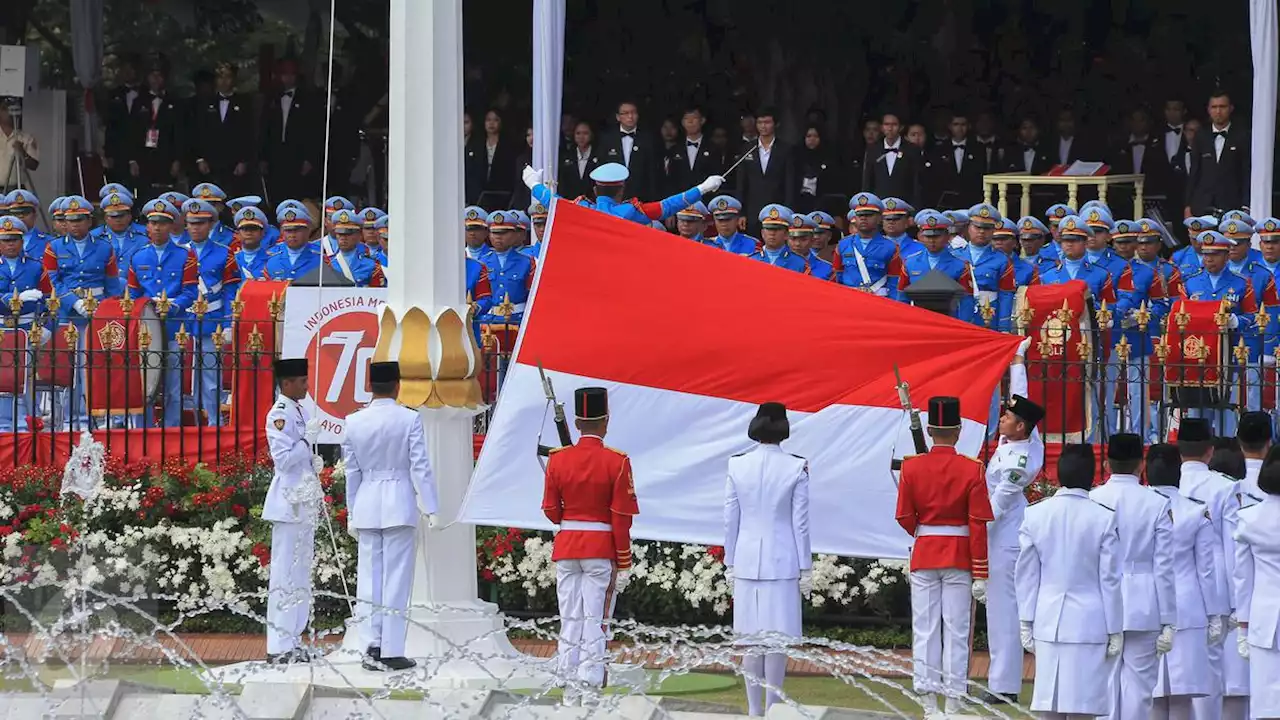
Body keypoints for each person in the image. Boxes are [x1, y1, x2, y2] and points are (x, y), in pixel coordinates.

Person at [895, 396, 994, 715]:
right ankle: (953, 702)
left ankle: (928, 703)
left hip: (925, 553)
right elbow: (977, 523)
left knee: (924, 628)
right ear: (959, 430)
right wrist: (981, 571)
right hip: (960, 556)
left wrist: (926, 534)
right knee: (957, 630)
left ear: (929, 429)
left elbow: (905, 516)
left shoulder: (912, 466)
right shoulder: (972, 468)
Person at [541, 387, 640, 703]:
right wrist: (623, 561)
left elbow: (551, 510)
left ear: (577, 420)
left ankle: (569, 685)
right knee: (595, 619)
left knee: (570, 617)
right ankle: (591, 685)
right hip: (600, 549)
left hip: (568, 546)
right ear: (605, 420)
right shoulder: (617, 461)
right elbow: (621, 516)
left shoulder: (558, 460)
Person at [342, 361, 439, 672]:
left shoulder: (354, 421)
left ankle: (371, 646)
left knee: (369, 580)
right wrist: (432, 506)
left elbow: (352, 473)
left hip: (368, 502)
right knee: (396, 580)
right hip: (398, 502)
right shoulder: (409, 418)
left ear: (370, 387)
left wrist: (352, 511)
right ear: (397, 385)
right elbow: (420, 467)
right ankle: (391, 649)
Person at [1016, 443, 1123, 720]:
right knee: (1083, 707)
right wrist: (1115, 628)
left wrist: (1026, 619)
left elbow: (1027, 575)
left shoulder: (1036, 513)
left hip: (1048, 618)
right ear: (1092, 475)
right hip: (1090, 621)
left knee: (1048, 703)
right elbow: (1109, 579)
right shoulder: (1103, 517)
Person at [724, 402, 811, 717]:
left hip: (747, 558)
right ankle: (773, 708)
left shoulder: (737, 464)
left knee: (750, 641)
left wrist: (730, 560)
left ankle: (754, 710)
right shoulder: (795, 466)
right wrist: (806, 567)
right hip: (782, 558)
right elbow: (800, 522)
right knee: (776, 640)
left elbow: (729, 518)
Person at [1089, 434, 1178, 720]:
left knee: (1104, 684)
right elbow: (1164, 566)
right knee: (1140, 689)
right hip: (1144, 600)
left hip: (1101, 599)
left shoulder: (1093, 498)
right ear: (1142, 465)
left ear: (1106, 464)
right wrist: (1168, 619)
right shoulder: (1155, 502)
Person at [979, 341, 1045, 705]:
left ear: (1020, 428)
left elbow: (996, 507)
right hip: (1000, 536)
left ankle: (1004, 685)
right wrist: (1017, 361)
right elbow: (1020, 399)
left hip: (1003, 539)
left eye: (1006, 418)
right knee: (999, 612)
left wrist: (975, 536)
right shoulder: (1019, 436)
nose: (1000, 419)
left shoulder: (1020, 461)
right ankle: (998, 679)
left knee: (1005, 614)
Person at [1146, 442, 1229, 720]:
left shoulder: (1138, 507)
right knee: (1182, 695)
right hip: (1188, 606)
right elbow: (1205, 569)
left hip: (1148, 604)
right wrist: (1214, 613)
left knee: (1153, 692)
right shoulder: (1195, 510)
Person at [1178, 417, 1241, 719]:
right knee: (1210, 665)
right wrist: (1237, 597)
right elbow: (1232, 546)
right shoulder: (1225, 488)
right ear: (1210, 451)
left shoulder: (1168, 482)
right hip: (1215, 579)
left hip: (1173, 581)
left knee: (1173, 667)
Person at [263, 357, 323, 664]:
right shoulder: (280, 415)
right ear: (287, 384)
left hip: (304, 502)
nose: (306, 385)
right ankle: (278, 645)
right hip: (288, 503)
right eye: (301, 381)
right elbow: (284, 460)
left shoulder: (300, 410)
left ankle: (293, 639)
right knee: (285, 573)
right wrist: (305, 443)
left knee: (300, 574)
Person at [127, 199, 199, 427]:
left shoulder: (185, 256)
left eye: (163, 223)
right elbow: (132, 293)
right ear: (147, 226)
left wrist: (174, 304)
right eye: (153, 223)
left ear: (171, 226)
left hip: (174, 326)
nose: (157, 228)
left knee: (174, 386)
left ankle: (172, 430)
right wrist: (145, 305)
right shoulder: (138, 256)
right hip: (146, 329)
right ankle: (142, 429)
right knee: (143, 384)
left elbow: (191, 291)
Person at [181, 198, 240, 425]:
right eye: (192, 223)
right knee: (182, 376)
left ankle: (214, 422)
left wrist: (227, 324)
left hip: (212, 321)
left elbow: (230, 292)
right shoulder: (179, 252)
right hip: (184, 321)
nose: (196, 228)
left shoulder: (224, 253)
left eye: (201, 223)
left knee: (211, 377)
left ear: (211, 224)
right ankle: (188, 422)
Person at [524, 161, 722, 227]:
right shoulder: (631, 212)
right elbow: (667, 206)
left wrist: (533, 184)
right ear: (621, 190)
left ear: (595, 190)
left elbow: (553, 202)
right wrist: (703, 188)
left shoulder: (580, 208)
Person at [1232, 460, 1280, 720]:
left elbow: (1243, 577)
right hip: (1265, 620)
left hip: (1264, 619)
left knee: (1266, 704)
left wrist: (1243, 625)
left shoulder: (1249, 518)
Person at [0, 216, 52, 431]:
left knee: (28, 375)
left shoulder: (35, 266)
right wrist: (14, 299)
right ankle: (4, 422)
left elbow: (49, 298)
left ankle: (30, 419)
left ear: (22, 241)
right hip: (2, 326)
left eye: (15, 240)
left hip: (28, 327)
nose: (10, 244)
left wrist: (44, 328)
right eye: (5, 240)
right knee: (3, 376)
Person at [896, 209, 976, 321]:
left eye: (937, 236)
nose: (932, 241)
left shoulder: (960, 266)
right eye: (928, 236)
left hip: (948, 322)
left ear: (947, 237)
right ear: (921, 237)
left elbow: (966, 301)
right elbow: (902, 298)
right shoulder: (910, 263)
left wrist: (964, 327)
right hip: (918, 321)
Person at [259, 59, 321, 201]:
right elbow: (264, 129)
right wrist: (262, 157)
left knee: (296, 194)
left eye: (291, 74)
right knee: (275, 195)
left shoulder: (308, 100)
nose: (288, 78)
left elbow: (314, 131)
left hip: (297, 155)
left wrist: (309, 158)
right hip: (275, 154)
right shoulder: (272, 98)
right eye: (284, 74)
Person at [191, 62, 253, 197]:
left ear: (234, 79)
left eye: (228, 77)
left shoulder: (244, 102)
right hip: (210, 163)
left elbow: (249, 133)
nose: (224, 81)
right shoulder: (205, 102)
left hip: (234, 164)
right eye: (220, 77)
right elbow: (198, 131)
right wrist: (200, 158)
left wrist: (244, 160)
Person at [1186, 91, 1250, 217]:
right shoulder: (1201, 136)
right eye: (1214, 107)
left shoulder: (1242, 136)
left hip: (1232, 205)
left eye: (1222, 107)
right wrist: (1188, 205)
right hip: (1202, 205)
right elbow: (1194, 173)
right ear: (1208, 110)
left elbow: (1246, 172)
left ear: (1231, 108)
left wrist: (1246, 205)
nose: (1218, 111)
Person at [958, 203, 1017, 332]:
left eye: (987, 228)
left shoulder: (1002, 260)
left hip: (989, 316)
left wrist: (1004, 327)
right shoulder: (955, 254)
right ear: (969, 227)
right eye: (977, 227)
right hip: (959, 314)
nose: (981, 231)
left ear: (993, 231)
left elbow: (1006, 296)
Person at [833, 192, 903, 298]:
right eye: (859, 215)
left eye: (869, 215)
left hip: (879, 301)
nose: (863, 218)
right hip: (848, 300)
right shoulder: (843, 245)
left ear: (880, 218)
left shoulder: (891, 248)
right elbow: (837, 278)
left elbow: (894, 283)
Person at [734, 107, 796, 227]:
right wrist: (741, 212)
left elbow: (790, 183)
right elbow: (741, 183)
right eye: (760, 123)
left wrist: (788, 211)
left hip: (778, 210)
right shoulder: (747, 148)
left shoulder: (787, 150)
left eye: (767, 122)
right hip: (752, 211)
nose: (763, 126)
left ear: (776, 124)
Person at [597, 100, 659, 201]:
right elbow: (602, 167)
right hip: (613, 197)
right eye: (625, 113)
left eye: (633, 112)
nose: (630, 116)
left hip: (640, 197)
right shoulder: (607, 138)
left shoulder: (647, 138)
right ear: (618, 117)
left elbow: (651, 171)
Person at [861, 112, 922, 206]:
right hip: (879, 206)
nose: (890, 128)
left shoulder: (912, 150)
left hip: (904, 206)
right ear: (881, 127)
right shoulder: (873, 149)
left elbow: (916, 183)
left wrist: (914, 211)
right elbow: (868, 182)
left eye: (894, 125)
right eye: (886, 124)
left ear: (901, 127)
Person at [327, 209, 386, 287]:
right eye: (339, 234)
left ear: (359, 235)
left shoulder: (372, 266)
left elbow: (377, 295)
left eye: (348, 234)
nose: (343, 238)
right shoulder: (327, 263)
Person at [262, 206, 321, 281]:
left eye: (297, 230)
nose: (292, 235)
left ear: (308, 231)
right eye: (288, 230)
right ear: (282, 232)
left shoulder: (320, 259)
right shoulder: (270, 259)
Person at [748, 205, 809, 274]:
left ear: (786, 234)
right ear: (762, 233)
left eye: (777, 229)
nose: (772, 233)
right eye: (769, 229)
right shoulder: (750, 260)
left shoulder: (800, 263)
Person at [0, 102, 39, 193]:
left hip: (16, 189)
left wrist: (23, 152)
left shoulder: (26, 138)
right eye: (4, 109)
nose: (9, 112)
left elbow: (34, 165)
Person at [233, 207, 272, 281]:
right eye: (245, 229)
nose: (249, 233)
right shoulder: (231, 261)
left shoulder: (272, 259)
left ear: (263, 233)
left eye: (253, 229)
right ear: (238, 234)